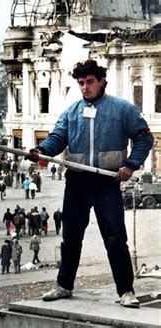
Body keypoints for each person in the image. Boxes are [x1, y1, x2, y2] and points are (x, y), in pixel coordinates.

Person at [26, 59, 153, 308]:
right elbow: (57, 139)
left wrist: (130, 165)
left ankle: (126, 291)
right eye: (81, 83)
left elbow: (144, 138)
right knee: (71, 238)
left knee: (115, 238)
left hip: (107, 182)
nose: (85, 87)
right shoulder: (72, 112)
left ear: (102, 81)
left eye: (90, 82)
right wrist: (40, 150)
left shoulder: (122, 109)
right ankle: (64, 286)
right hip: (77, 182)